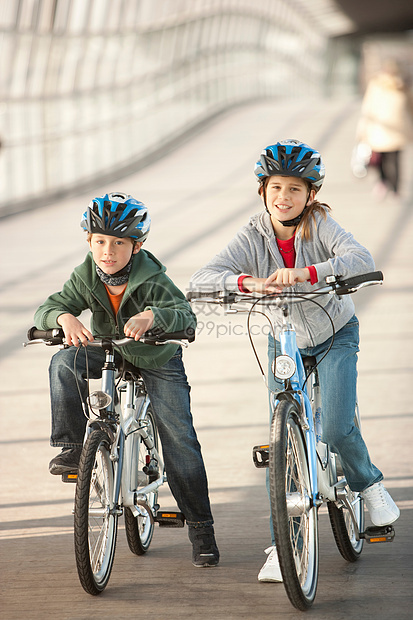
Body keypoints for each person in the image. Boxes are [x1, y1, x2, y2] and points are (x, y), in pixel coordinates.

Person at [190, 140, 400, 581]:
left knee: (338, 424)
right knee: (283, 448)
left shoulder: (320, 225)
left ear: (311, 196)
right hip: (283, 342)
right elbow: (203, 278)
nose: (283, 197)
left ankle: (368, 482)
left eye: (295, 190)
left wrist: (307, 273)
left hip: (333, 335)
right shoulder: (253, 233)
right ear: (263, 190)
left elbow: (359, 257)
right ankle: (283, 547)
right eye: (276, 188)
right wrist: (246, 282)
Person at [34, 192, 219, 568]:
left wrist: (153, 317)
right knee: (63, 363)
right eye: (100, 241)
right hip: (110, 349)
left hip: (156, 355)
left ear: (135, 246)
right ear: (89, 241)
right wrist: (63, 319)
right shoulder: (86, 273)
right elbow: (51, 305)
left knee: (179, 438)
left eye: (119, 242)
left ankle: (201, 528)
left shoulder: (152, 277)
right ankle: (71, 447)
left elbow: (184, 315)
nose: (108, 250)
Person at [356, 59, 413, 198]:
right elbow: (410, 107)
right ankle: (395, 188)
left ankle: (383, 183)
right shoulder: (403, 86)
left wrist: (362, 129)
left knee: (380, 158)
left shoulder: (376, 85)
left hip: (378, 129)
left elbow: (368, 107)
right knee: (395, 159)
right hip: (397, 129)